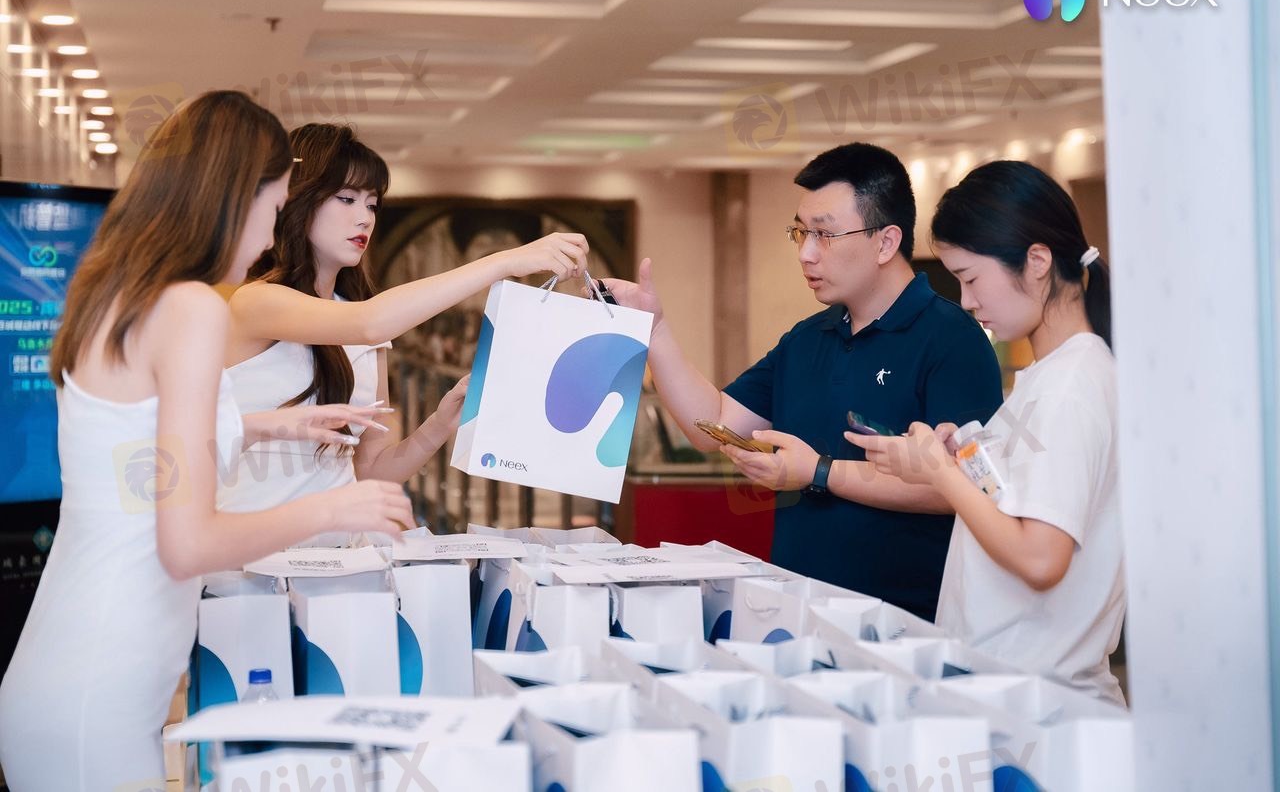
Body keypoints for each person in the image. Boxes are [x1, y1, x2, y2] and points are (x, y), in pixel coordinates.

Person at [0, 91, 415, 791]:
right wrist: (333, 508)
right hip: (101, 689)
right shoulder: (189, 307)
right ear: (231, 197)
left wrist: (260, 425)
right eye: (272, 209)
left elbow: (131, 463)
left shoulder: (121, 296)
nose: (269, 238)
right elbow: (187, 543)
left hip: (70, 670)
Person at [603, 143, 1003, 621]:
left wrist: (818, 471)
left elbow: (961, 489)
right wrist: (655, 332)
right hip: (797, 612)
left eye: (824, 235)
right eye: (800, 232)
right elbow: (713, 424)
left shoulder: (953, 339)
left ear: (885, 242)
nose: (805, 253)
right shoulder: (808, 338)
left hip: (905, 624)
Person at [220, 124, 587, 542]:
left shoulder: (366, 326)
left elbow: (370, 471)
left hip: (336, 558)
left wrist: (438, 424)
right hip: (248, 555)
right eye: (346, 199)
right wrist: (503, 262)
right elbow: (368, 322)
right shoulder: (256, 302)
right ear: (297, 200)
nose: (365, 218)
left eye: (372, 204)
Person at [849, 160, 1124, 704]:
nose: (967, 301)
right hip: (1013, 690)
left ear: (1037, 261)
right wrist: (961, 462)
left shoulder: (1070, 388)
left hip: (1040, 701)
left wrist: (941, 476)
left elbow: (1041, 559)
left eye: (971, 278)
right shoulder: (1052, 375)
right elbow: (1019, 504)